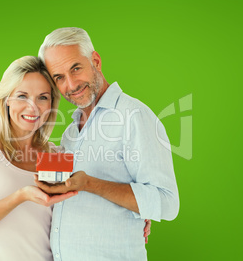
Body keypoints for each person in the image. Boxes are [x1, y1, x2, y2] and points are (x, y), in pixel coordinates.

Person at [32, 27, 180, 260]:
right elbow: (54, 199)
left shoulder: (134, 116)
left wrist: (90, 183)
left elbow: (167, 202)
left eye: (76, 69)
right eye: (59, 78)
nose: (71, 85)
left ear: (96, 61)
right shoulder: (70, 132)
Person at [0, 55, 78, 260]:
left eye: (43, 97)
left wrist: (135, 217)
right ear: (6, 100)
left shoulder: (56, 155)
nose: (33, 107)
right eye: (22, 96)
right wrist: (21, 196)